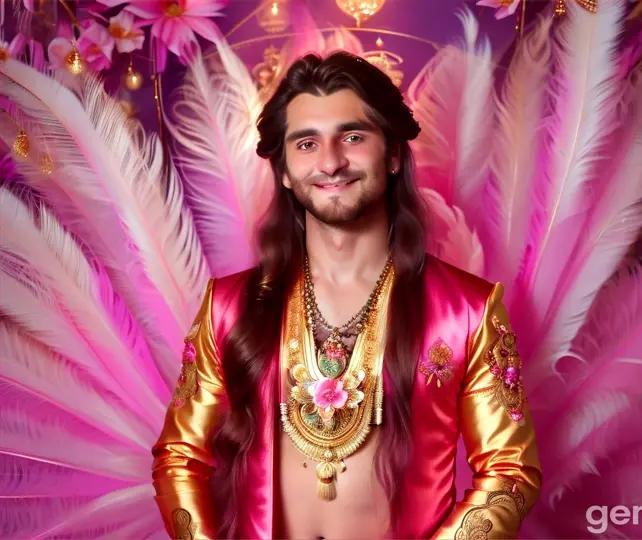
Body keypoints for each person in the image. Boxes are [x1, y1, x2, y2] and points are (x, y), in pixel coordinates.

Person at [150, 50, 542, 540]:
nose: (331, 162)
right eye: (307, 143)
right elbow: (179, 457)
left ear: (394, 155)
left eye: (353, 137)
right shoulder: (229, 308)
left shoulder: (466, 313)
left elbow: (510, 470)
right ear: (286, 171)